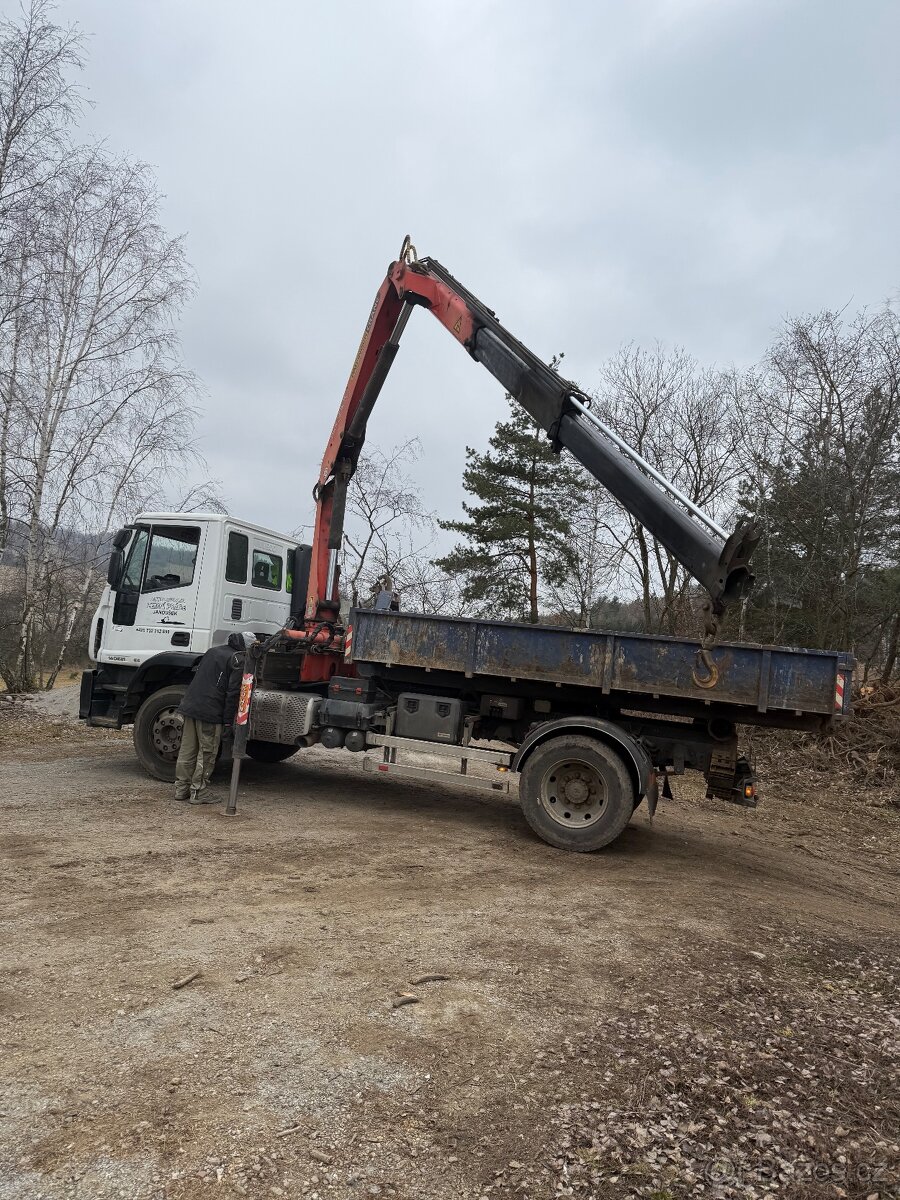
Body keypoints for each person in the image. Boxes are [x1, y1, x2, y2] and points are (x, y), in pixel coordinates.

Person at [174, 631, 256, 804]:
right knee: (207, 752)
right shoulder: (238, 660)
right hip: (210, 712)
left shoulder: (213, 651)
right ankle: (198, 792)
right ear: (247, 647)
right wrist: (227, 722)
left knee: (188, 749)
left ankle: (181, 789)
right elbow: (233, 694)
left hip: (190, 706)